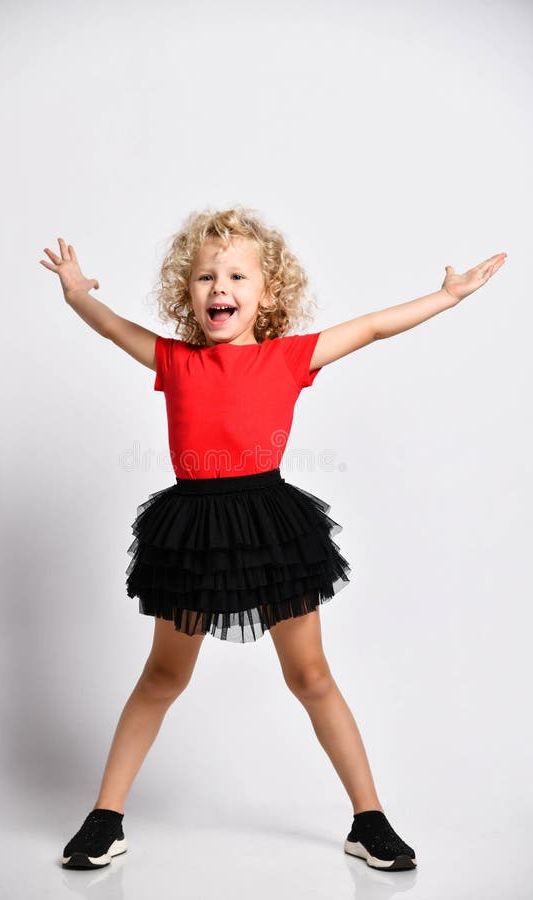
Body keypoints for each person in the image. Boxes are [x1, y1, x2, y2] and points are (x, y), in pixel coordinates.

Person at [39, 207, 506, 871]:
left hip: (270, 527)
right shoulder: (175, 361)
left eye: (234, 275)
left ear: (267, 293)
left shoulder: (288, 359)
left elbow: (372, 327)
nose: (218, 286)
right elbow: (114, 328)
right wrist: (79, 294)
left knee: (311, 675)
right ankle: (105, 817)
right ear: (188, 292)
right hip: (193, 529)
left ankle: (368, 819)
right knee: (164, 675)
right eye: (204, 276)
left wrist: (447, 296)